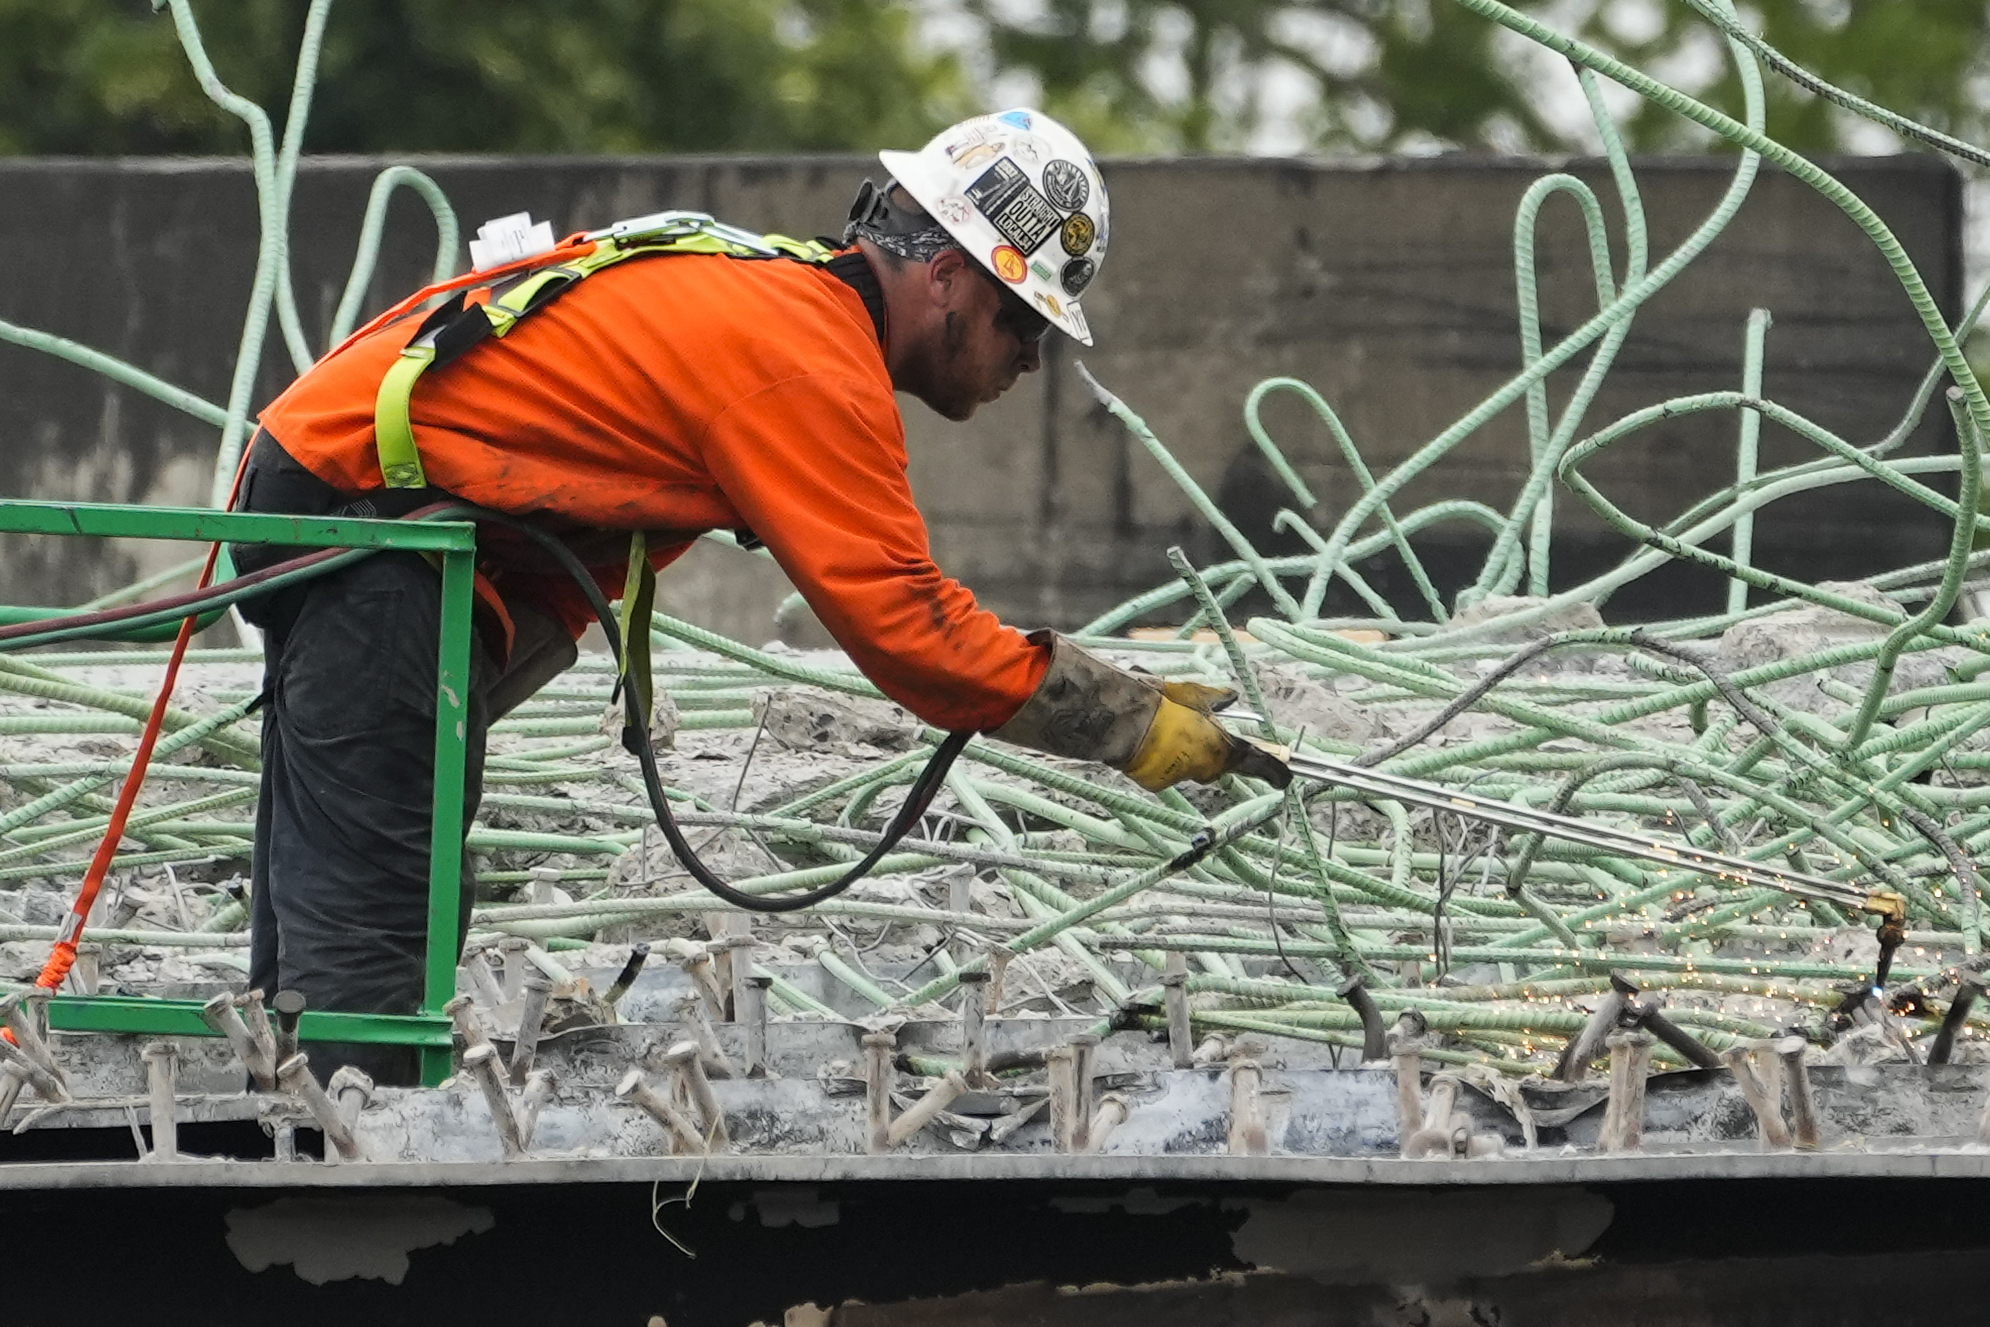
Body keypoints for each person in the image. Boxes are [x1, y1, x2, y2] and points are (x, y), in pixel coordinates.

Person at [231, 109, 1283, 1083]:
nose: (1031, 360)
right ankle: (352, 1196)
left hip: (384, 522)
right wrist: (1125, 720)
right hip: (366, 520)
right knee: (378, 920)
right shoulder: (804, 359)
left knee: (379, 888)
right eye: (1025, 323)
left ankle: (310, 1120)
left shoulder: (787, 303)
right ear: (952, 278)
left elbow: (574, 514)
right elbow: (909, 629)